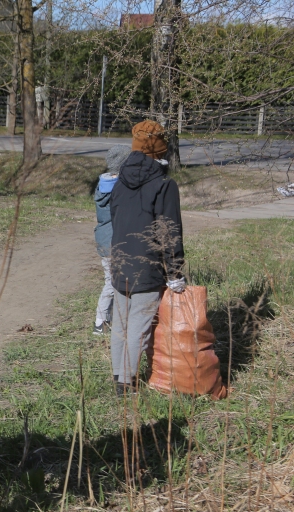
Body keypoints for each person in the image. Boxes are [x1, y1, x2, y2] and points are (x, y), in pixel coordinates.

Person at [109, 120, 186, 395]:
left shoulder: (119, 183)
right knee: (139, 329)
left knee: (120, 324)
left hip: (118, 264)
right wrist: (176, 272)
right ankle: (126, 384)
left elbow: (115, 221)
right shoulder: (164, 185)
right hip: (147, 267)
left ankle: (118, 376)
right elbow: (169, 231)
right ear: (161, 149)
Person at [92, 145, 130, 336]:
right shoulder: (119, 189)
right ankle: (100, 322)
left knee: (114, 281)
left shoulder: (103, 184)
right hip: (112, 240)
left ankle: (109, 319)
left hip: (103, 238)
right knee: (112, 282)